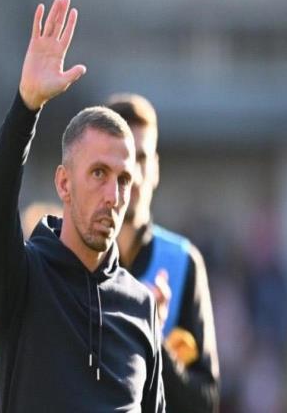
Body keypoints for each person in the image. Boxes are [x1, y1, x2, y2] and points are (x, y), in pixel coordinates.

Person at [0, 0, 165, 412]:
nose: (113, 195)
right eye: (98, 174)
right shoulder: (23, 279)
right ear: (64, 183)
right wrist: (27, 106)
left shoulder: (141, 307)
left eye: (123, 179)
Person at [107, 93, 220, 412]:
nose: (133, 175)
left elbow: (205, 401)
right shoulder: (73, 259)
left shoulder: (182, 262)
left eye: (141, 158)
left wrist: (153, 336)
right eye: (121, 160)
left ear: (155, 168)